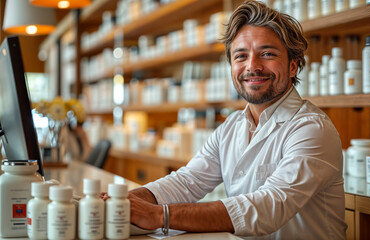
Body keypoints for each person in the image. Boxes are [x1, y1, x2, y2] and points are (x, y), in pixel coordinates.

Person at [102, 1, 347, 239]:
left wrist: (160, 215)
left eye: (267, 53)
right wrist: (129, 201)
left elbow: (268, 208)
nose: (253, 66)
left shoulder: (311, 128)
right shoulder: (231, 127)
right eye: (241, 56)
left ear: (293, 66)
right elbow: (188, 181)